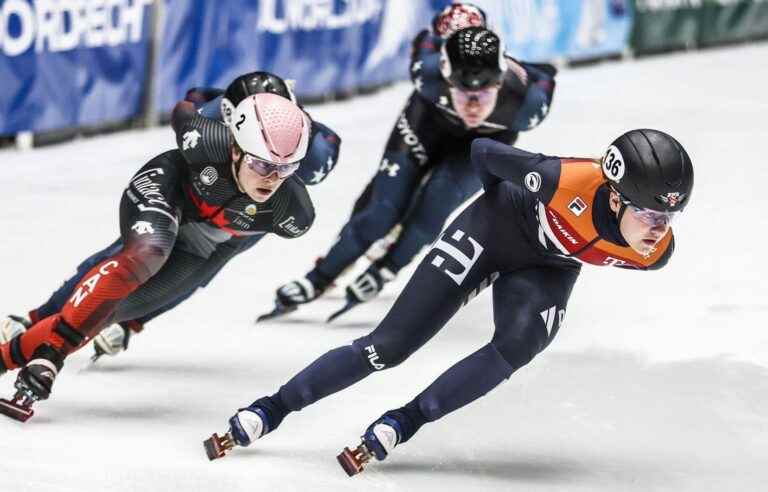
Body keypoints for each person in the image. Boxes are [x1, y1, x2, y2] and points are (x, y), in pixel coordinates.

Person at [205, 129, 694, 476]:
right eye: (650, 213)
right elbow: (484, 152)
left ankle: (406, 420)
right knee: (390, 346)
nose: (659, 229)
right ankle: (272, 408)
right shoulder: (561, 180)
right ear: (613, 198)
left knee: (519, 345)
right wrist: (490, 211)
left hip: (547, 266)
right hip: (494, 226)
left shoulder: (653, 255)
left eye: (671, 216)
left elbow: (592, 248)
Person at [0, 91, 318, 421]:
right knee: (147, 253)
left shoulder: (292, 213)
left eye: (285, 168)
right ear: (236, 149)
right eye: (262, 164)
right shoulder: (204, 139)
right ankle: (51, 351)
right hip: (168, 190)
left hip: (205, 240)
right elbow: (186, 105)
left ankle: (7, 357)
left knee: (113, 310)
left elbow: (230, 250)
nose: (272, 178)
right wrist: (209, 96)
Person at [267, 4, 557, 320]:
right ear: (445, 76)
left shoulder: (527, 104)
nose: (472, 106)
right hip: (427, 125)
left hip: (476, 146)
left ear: (501, 82)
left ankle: (387, 268)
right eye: (462, 92)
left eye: (484, 93)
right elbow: (427, 39)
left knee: (438, 201)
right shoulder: (427, 73)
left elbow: (545, 74)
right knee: (382, 209)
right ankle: (320, 277)